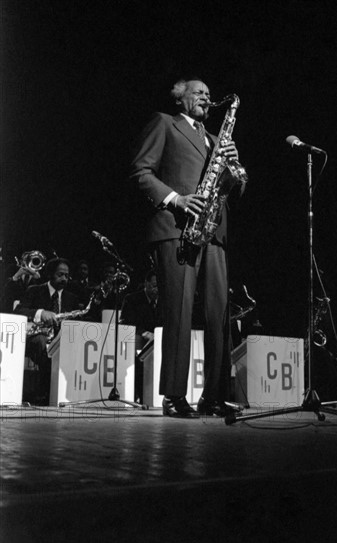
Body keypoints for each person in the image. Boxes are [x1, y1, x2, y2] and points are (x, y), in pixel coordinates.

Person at [130, 76, 246, 418]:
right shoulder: (164, 123)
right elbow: (141, 172)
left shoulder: (217, 140)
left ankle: (213, 395)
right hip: (177, 228)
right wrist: (177, 198)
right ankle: (173, 396)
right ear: (180, 98)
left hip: (213, 232)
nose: (207, 98)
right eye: (199, 92)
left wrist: (235, 169)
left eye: (210, 94)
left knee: (219, 316)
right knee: (178, 313)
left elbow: (236, 188)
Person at [14, 257, 79, 405]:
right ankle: (47, 392)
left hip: (61, 340)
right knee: (41, 342)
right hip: (36, 337)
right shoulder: (34, 290)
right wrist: (40, 312)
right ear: (50, 274)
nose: (64, 279)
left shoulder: (72, 298)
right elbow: (18, 311)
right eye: (60, 274)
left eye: (67, 276)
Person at [120, 270, 160, 402]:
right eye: (154, 285)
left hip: (158, 346)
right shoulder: (132, 299)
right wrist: (145, 333)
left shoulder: (165, 301)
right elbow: (126, 323)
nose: (157, 290)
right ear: (146, 283)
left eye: (159, 286)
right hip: (137, 345)